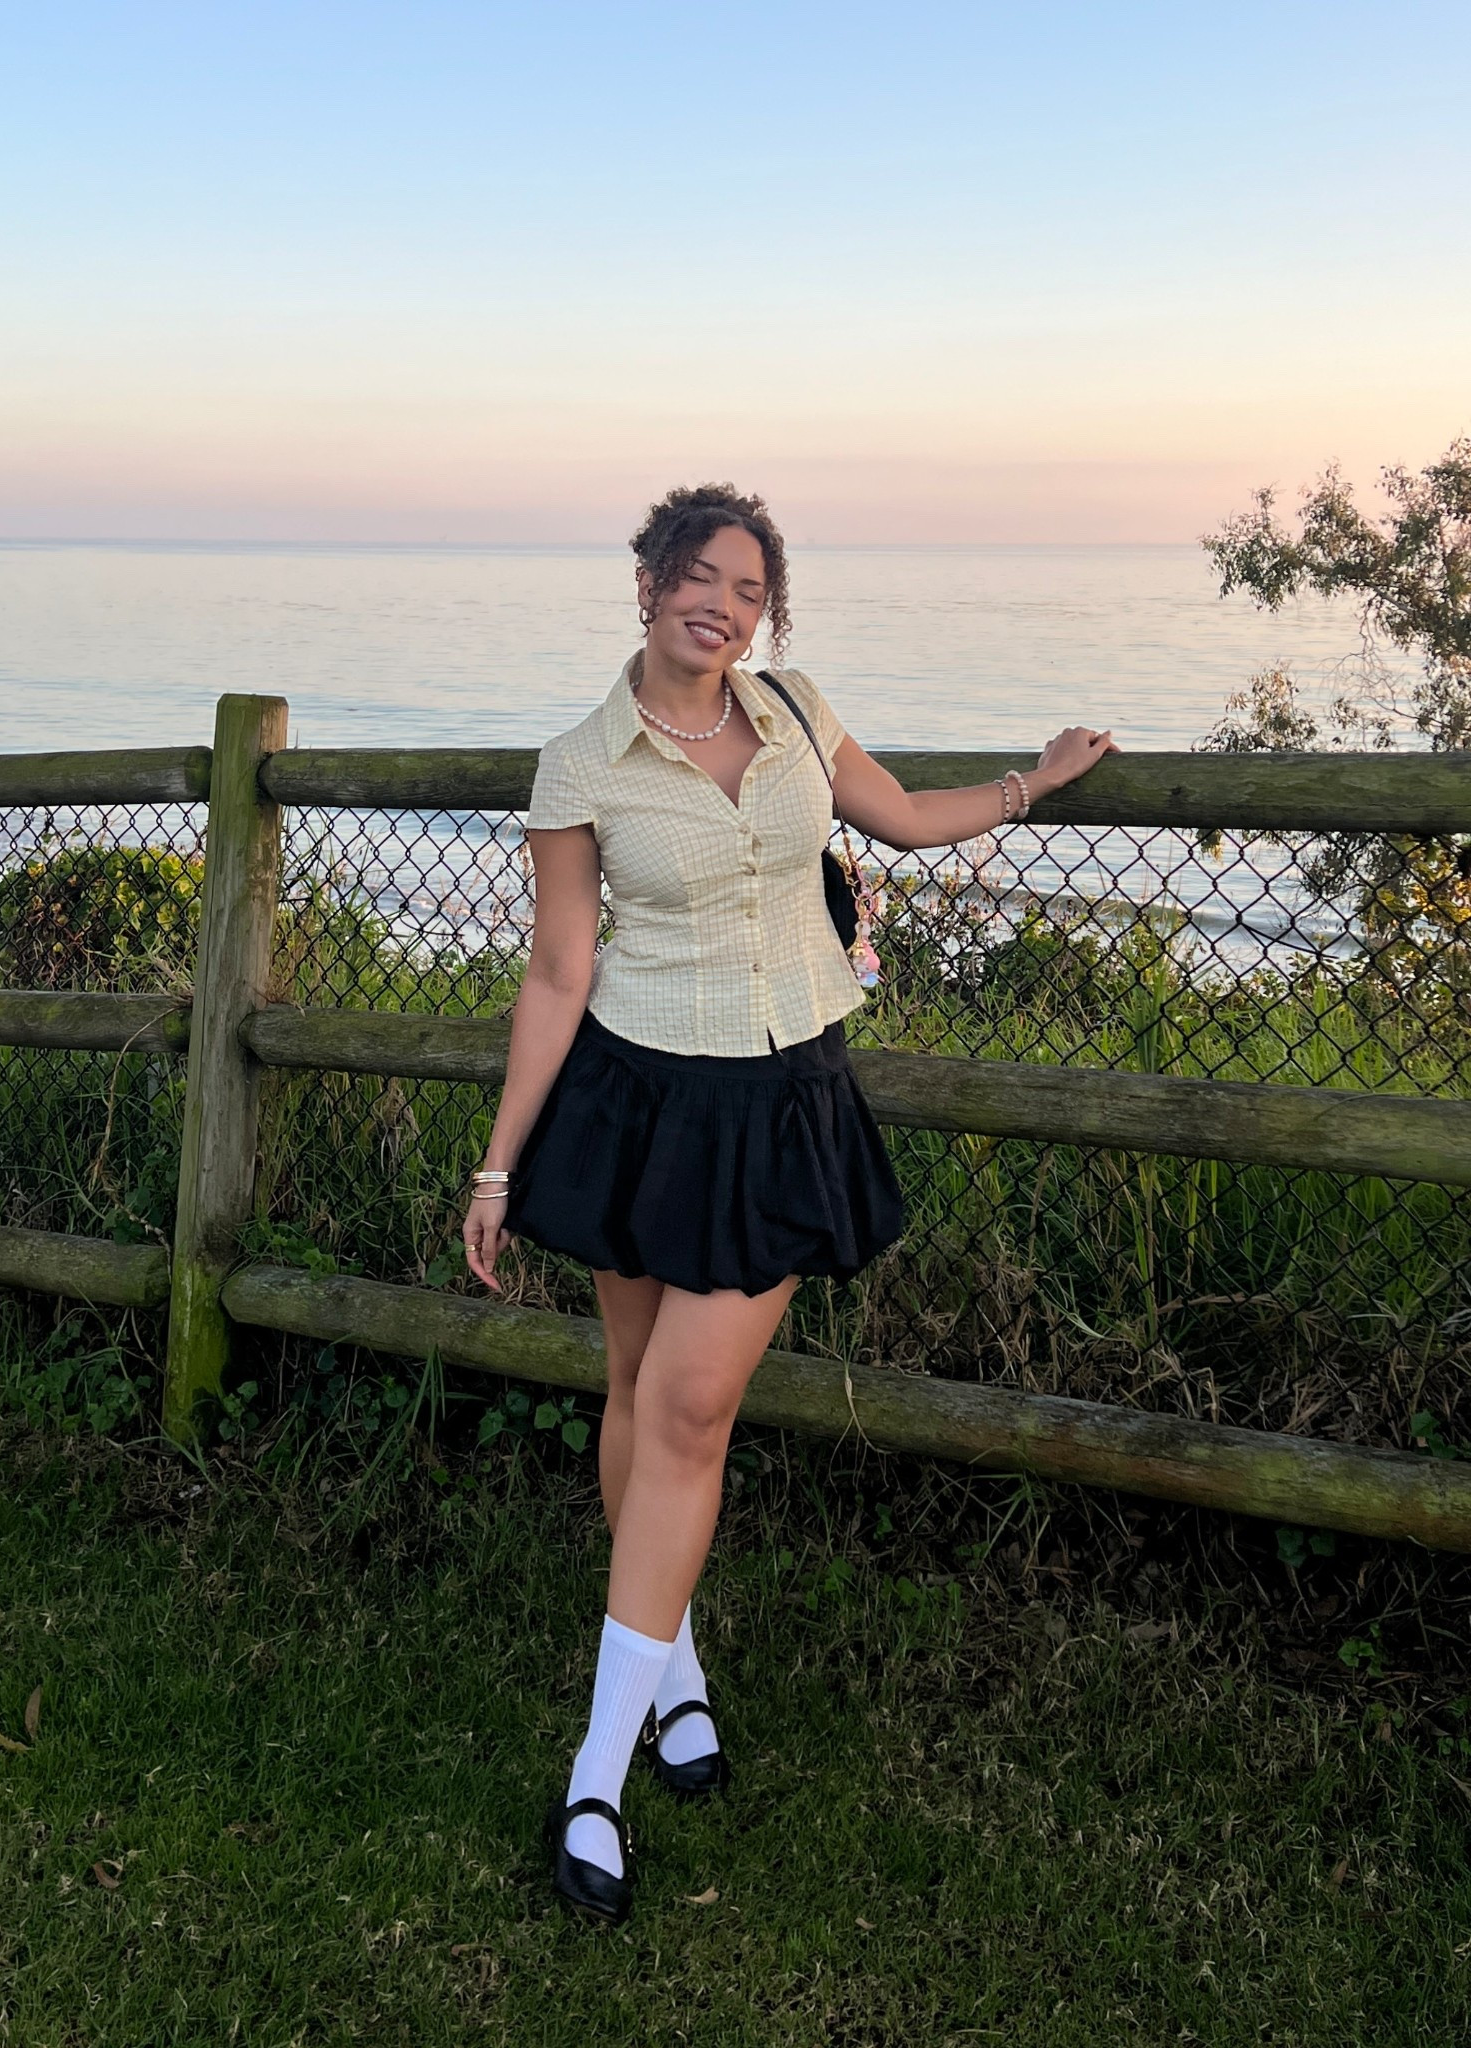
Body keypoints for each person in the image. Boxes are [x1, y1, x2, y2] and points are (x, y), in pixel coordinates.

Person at [462, 482, 1117, 1923]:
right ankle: (672, 1669)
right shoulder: (581, 765)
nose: (723, 605)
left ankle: (596, 1769)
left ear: (769, 611)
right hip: (641, 1098)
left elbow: (896, 818)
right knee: (637, 1387)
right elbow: (561, 972)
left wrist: (1035, 780)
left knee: (691, 1408)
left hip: (784, 1101)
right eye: (699, 577)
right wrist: (500, 1163)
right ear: (647, 582)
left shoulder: (798, 711)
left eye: (748, 588)